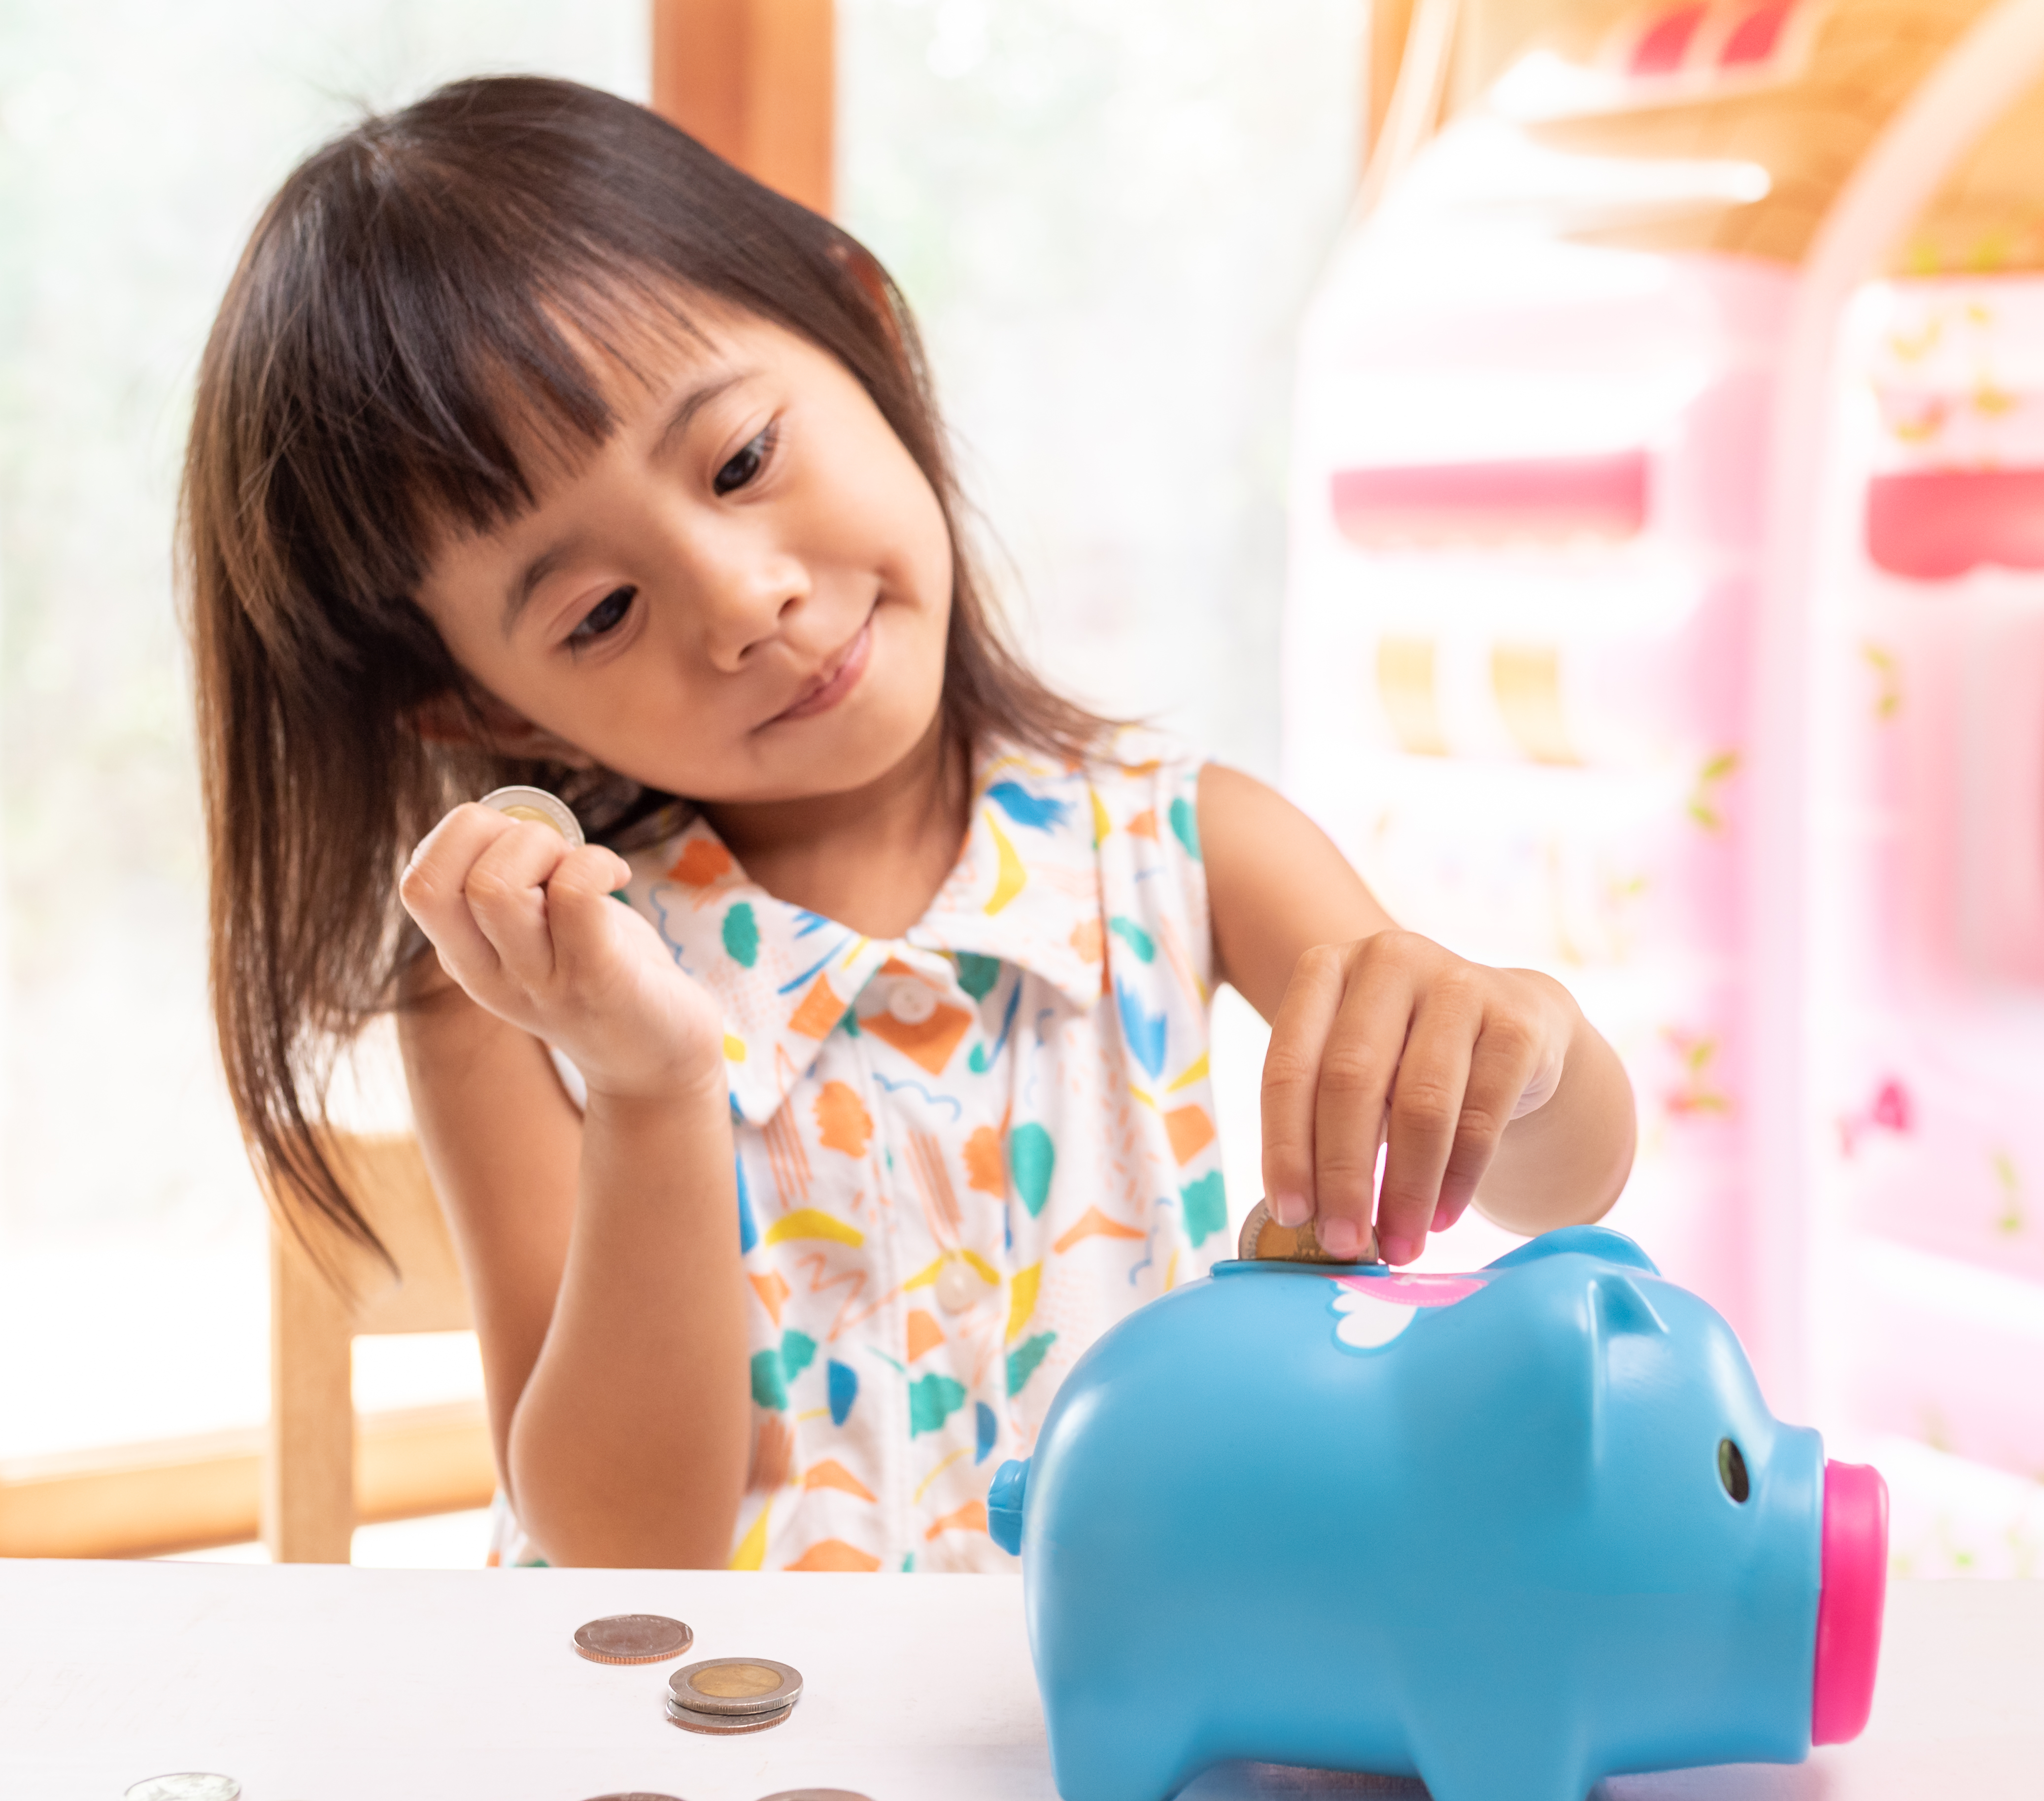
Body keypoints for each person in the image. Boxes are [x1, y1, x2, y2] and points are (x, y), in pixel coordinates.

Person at [184, 76, 1635, 1571]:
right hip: (716, 1782)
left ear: (863, 325)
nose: (748, 601)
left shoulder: (1189, 852)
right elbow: (627, 1550)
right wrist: (650, 1084)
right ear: (485, 713)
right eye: (603, 610)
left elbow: (1565, 1180)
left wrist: (1510, 1050)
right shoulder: (514, 998)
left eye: (742, 459)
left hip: (1111, 1766)